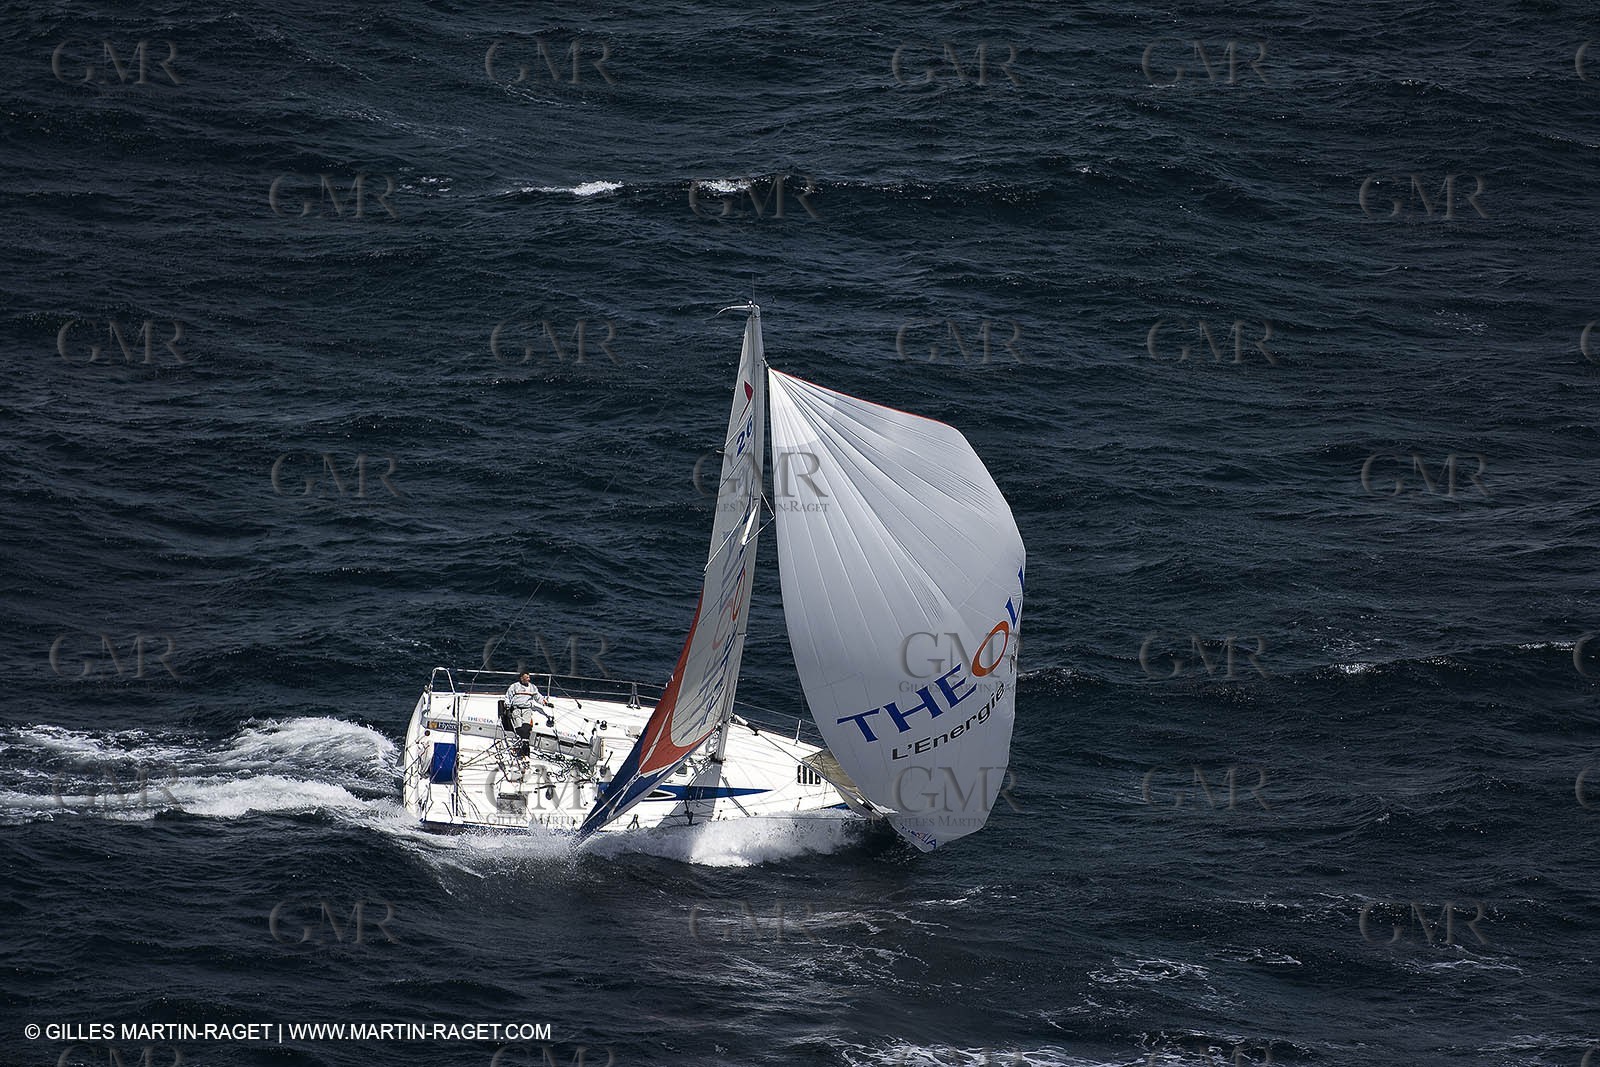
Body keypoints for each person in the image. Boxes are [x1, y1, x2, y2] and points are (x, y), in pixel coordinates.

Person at [504, 672, 555, 757]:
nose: (529, 679)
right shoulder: (514, 687)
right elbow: (508, 697)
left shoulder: (532, 687)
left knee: (526, 727)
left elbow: (538, 697)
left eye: (529, 677)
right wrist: (508, 708)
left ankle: (525, 746)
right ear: (521, 678)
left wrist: (546, 703)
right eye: (527, 677)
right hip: (516, 709)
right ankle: (525, 746)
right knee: (519, 728)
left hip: (527, 709)